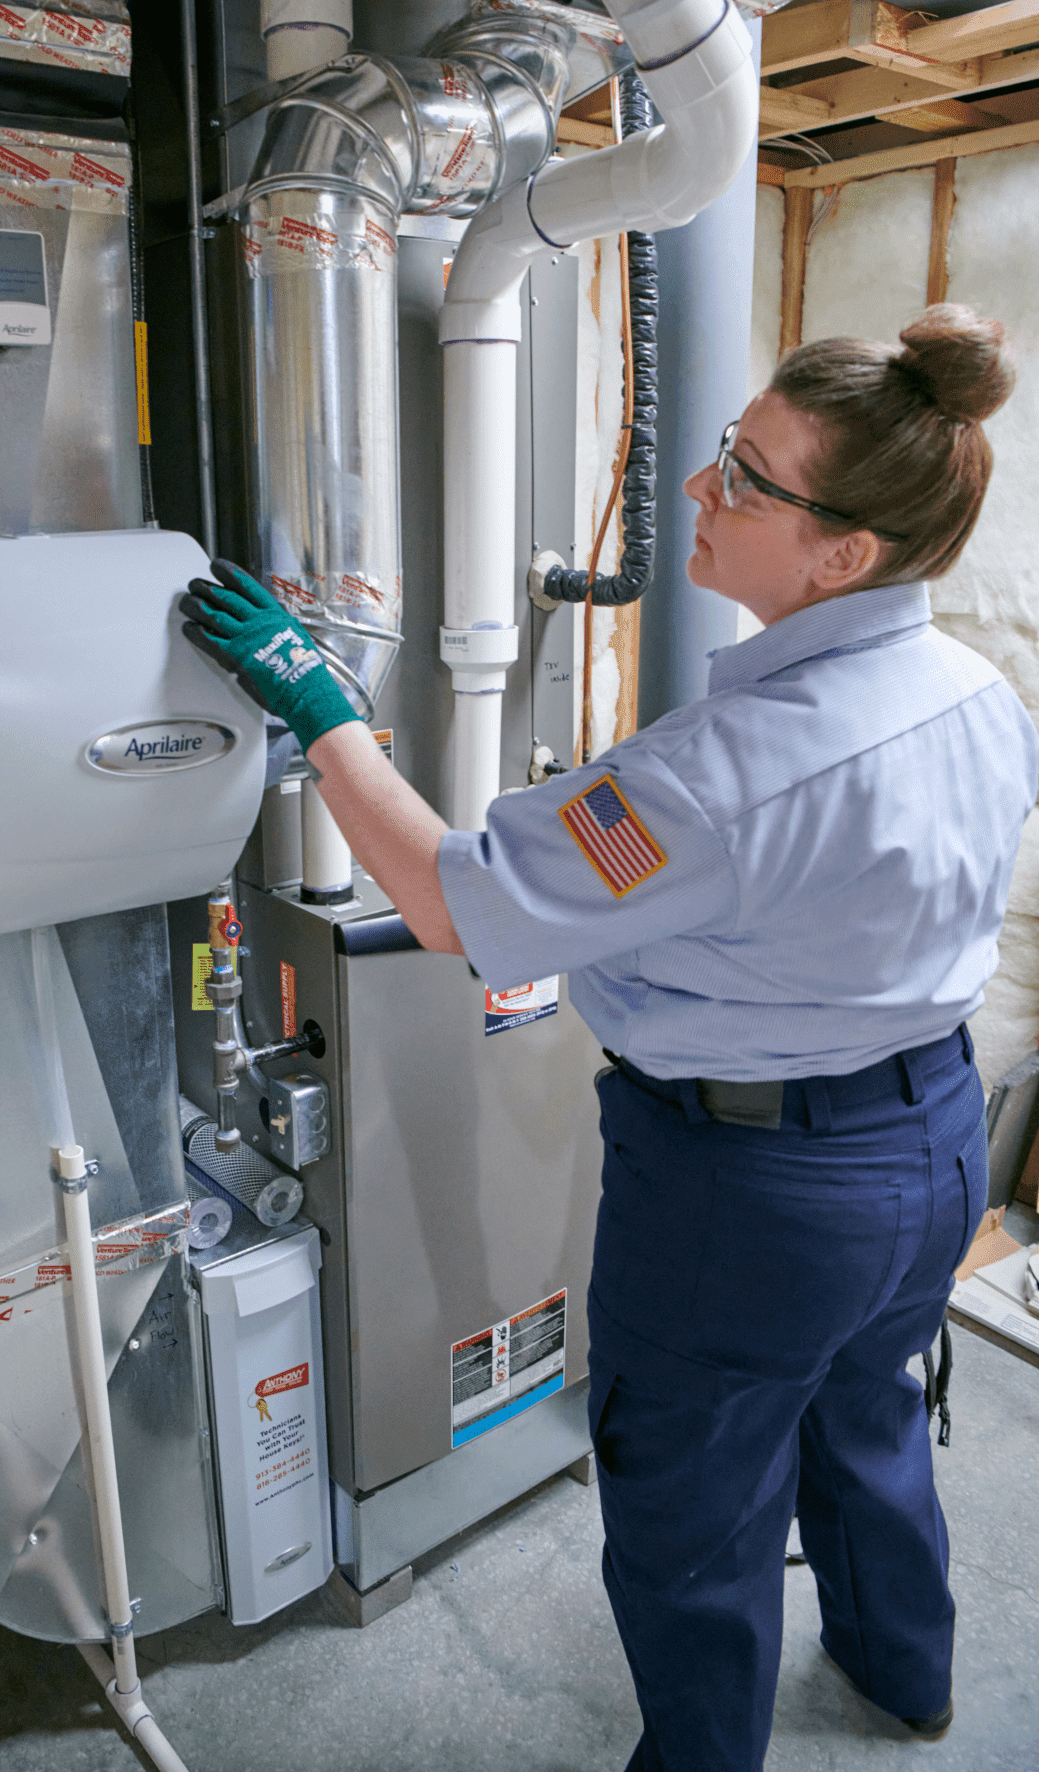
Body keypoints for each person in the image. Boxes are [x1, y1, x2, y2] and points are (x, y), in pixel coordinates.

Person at [181, 304, 1038, 1771]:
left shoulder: (717, 779)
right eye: (724, 454)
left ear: (844, 553)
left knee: (693, 1513)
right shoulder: (980, 692)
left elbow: (459, 906)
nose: (701, 491)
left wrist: (320, 703)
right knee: (867, 1415)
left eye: (747, 477)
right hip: (934, 1143)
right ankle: (911, 1675)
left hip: (751, 1202)